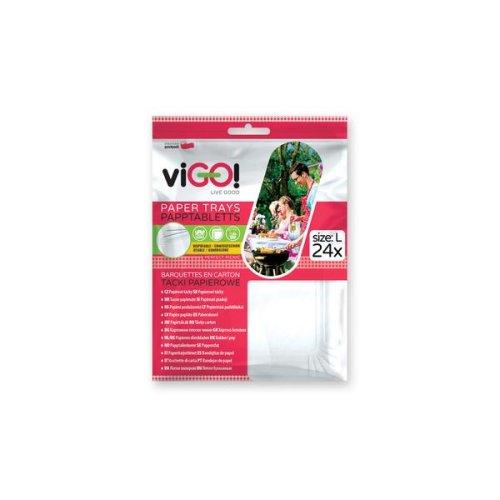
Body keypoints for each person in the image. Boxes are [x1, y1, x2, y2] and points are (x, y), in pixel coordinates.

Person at [287, 163, 319, 249]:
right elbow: (312, 215)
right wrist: (301, 217)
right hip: (306, 233)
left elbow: (316, 221)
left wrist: (298, 240)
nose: (296, 183)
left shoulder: (315, 191)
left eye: (296, 179)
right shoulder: (310, 189)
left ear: (304, 174)